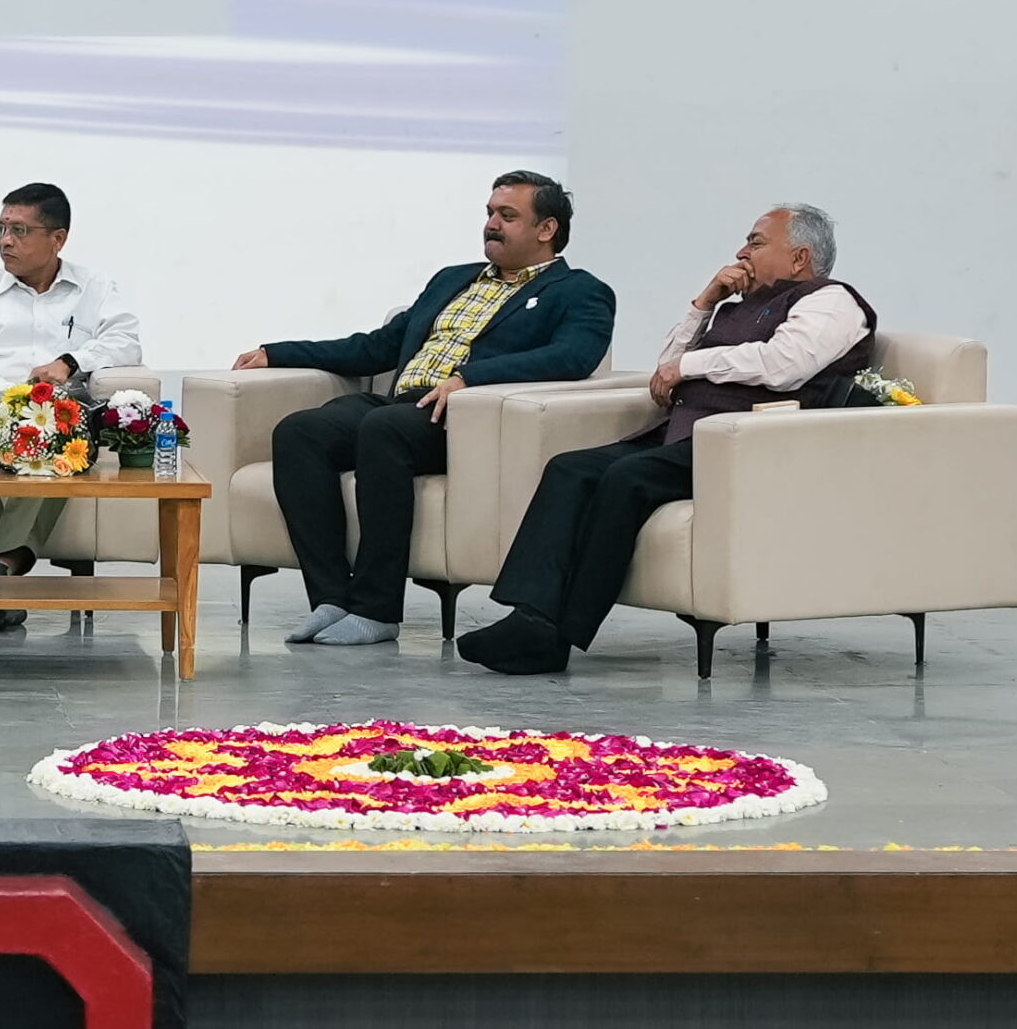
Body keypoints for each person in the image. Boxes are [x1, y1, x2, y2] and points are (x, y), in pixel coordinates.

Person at [459, 204, 875, 675]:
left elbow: (785, 366)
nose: (742, 252)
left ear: (800, 258)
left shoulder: (831, 302)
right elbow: (666, 367)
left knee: (626, 478)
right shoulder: (738, 305)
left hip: (748, 445)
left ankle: (558, 634)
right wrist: (705, 302)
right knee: (569, 469)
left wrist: (690, 366)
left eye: (756, 243)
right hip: (683, 432)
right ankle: (529, 616)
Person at [237, 171, 615, 647]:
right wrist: (278, 352)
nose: (492, 224)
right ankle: (331, 597)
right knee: (300, 431)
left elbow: (573, 356)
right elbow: (378, 346)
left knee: (384, 428)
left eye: (507, 216)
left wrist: (470, 378)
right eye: (490, 213)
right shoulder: (452, 279)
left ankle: (376, 609)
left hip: (468, 419)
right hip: (401, 403)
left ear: (547, 229)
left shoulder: (580, 290)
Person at [0, 182, 142, 633]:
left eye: (20, 230)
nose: (6, 241)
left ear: (57, 238)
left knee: (58, 445)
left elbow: (126, 342)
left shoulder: (94, 287)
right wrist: (14, 399)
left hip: (57, 411)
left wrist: (70, 362)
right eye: (2, 228)